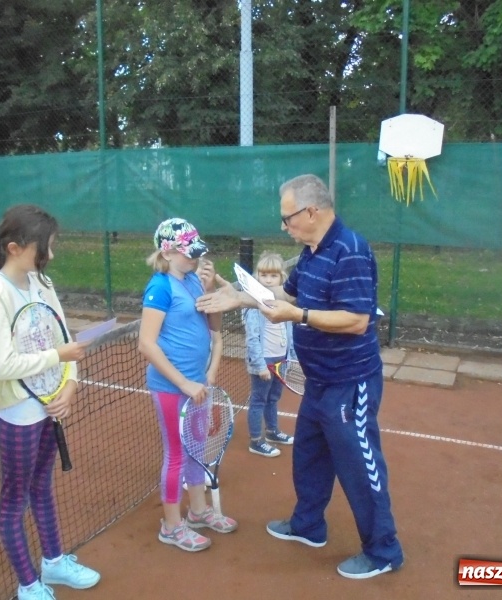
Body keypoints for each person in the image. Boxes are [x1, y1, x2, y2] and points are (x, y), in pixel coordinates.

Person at [196, 174, 404, 579]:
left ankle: (384, 550)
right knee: (309, 456)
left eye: (287, 217)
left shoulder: (351, 251)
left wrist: (299, 316)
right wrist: (244, 298)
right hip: (318, 380)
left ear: (312, 211)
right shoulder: (311, 251)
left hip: (349, 381)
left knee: (360, 466)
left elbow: (357, 320)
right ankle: (309, 526)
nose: (283, 225)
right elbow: (288, 296)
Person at [0, 204, 100, 600]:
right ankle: (28, 585)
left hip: (51, 404)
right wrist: (60, 359)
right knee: (14, 498)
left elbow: (63, 337)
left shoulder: (42, 281)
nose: (51, 255)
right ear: (14, 247)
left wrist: (69, 386)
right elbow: (3, 363)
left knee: (42, 486)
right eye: (45, 247)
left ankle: (54, 562)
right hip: (18, 413)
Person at [138, 217, 238, 552]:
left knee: (196, 450)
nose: (195, 258)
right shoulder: (160, 287)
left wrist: (212, 290)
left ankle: (197, 512)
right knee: (177, 454)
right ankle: (171, 526)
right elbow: (147, 344)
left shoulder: (195, 280)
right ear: (168, 251)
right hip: (171, 388)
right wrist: (183, 383)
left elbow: (216, 317)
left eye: (197, 251)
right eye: (189, 252)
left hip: (197, 384)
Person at [243, 251, 296, 457]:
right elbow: (252, 338)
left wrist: (290, 356)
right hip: (263, 362)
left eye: (273, 276)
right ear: (257, 276)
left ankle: (272, 431)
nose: (268, 280)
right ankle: (256, 441)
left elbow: (289, 331)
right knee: (259, 400)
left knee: (273, 398)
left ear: (281, 277)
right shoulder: (254, 305)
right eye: (264, 275)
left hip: (280, 358)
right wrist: (259, 365)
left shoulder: (284, 302)